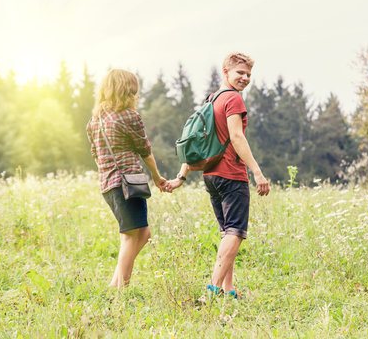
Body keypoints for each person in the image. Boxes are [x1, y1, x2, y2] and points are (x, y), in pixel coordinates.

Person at [169, 52, 270, 298]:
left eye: (248, 74)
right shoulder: (233, 99)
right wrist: (257, 172)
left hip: (211, 176)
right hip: (231, 175)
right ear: (225, 72)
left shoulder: (211, 99)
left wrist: (181, 176)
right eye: (240, 73)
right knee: (235, 232)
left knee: (227, 234)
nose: (245, 78)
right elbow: (237, 137)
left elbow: (195, 141)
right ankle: (213, 289)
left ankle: (229, 290)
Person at [86, 69, 171, 288]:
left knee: (139, 233)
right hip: (127, 184)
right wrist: (157, 177)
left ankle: (116, 284)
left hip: (108, 185)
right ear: (128, 90)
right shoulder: (129, 116)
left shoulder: (95, 121)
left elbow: (95, 154)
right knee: (132, 236)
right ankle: (119, 289)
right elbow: (145, 150)